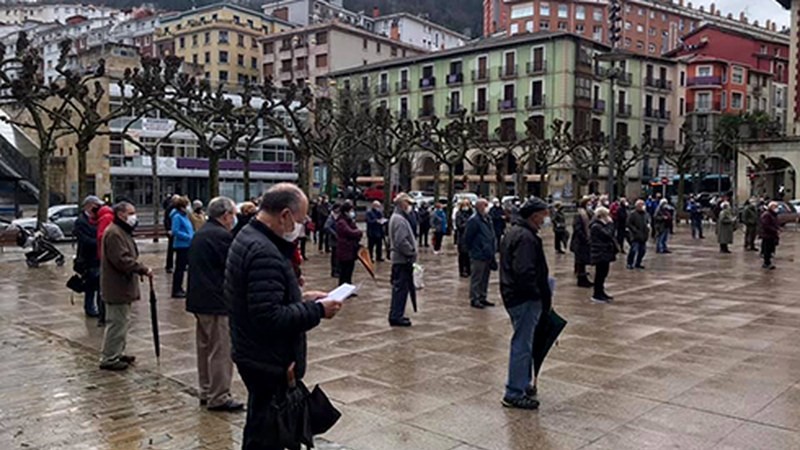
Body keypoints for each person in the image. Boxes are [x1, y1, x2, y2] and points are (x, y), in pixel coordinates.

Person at [225, 184, 343, 449]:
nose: (301, 226)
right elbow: (268, 317)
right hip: (267, 359)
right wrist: (318, 310)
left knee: (260, 427)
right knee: (269, 435)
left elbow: (259, 300)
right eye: (301, 220)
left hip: (252, 351)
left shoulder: (248, 236)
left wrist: (301, 299)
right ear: (285, 215)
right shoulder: (264, 251)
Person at [186, 197, 244, 412]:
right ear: (226, 215)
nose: (234, 219)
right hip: (216, 301)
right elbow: (231, 268)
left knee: (205, 347)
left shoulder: (202, 232)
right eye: (233, 215)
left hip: (200, 299)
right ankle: (219, 395)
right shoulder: (221, 236)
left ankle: (206, 389)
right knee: (221, 350)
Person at [499, 198, 552, 411]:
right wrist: (537, 293)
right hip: (524, 298)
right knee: (522, 344)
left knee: (525, 342)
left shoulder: (515, 232)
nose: (544, 220)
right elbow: (524, 271)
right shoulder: (526, 237)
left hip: (515, 296)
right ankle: (514, 392)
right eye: (543, 215)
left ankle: (522, 382)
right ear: (534, 215)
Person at [99, 202, 153, 371]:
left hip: (122, 285)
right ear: (121, 214)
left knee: (122, 322)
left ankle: (117, 352)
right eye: (131, 213)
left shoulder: (121, 231)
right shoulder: (114, 233)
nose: (134, 216)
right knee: (117, 322)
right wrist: (142, 269)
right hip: (117, 286)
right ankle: (110, 357)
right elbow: (122, 260)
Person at [388, 193, 418, 327]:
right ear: (403, 204)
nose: (410, 206)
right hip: (402, 260)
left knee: (400, 289)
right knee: (400, 289)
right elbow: (401, 241)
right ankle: (396, 315)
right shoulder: (399, 220)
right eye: (408, 203)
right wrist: (411, 251)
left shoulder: (397, 217)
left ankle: (397, 314)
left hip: (400, 259)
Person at [75, 195, 104, 318]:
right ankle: (89, 308)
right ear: (89, 206)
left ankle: (99, 307)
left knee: (99, 285)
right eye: (96, 205)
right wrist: (99, 242)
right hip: (88, 259)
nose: (98, 208)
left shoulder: (97, 219)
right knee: (90, 285)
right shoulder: (81, 221)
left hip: (98, 257)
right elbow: (84, 239)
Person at [465, 199, 496, 309]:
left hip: (488, 253)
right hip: (478, 254)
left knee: (485, 278)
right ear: (479, 207)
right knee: (477, 278)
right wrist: (474, 249)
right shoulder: (474, 220)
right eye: (485, 205)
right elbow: (468, 237)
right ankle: (475, 298)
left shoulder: (487, 218)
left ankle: (482, 296)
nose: (487, 207)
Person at [590, 207, 617, 303]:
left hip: (604, 253)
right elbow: (608, 235)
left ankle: (601, 292)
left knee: (603, 274)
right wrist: (610, 224)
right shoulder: (596, 226)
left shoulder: (601, 225)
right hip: (600, 253)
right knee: (599, 275)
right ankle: (597, 294)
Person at [170, 196, 195, 298]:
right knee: (180, 268)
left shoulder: (185, 216)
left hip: (188, 245)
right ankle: (176, 289)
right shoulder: (177, 217)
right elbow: (175, 231)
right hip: (182, 245)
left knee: (185, 268)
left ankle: (181, 288)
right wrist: (188, 237)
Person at [336, 202, 362, 285]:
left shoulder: (349, 221)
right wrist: (358, 232)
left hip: (351, 251)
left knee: (349, 271)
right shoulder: (341, 222)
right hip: (345, 251)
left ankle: (348, 285)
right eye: (351, 210)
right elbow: (350, 232)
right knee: (344, 272)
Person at [570, 197, 593, 288]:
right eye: (589, 203)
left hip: (585, 241)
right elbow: (577, 228)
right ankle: (581, 280)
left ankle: (584, 279)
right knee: (580, 261)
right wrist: (584, 238)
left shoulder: (587, 213)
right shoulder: (579, 214)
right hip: (580, 242)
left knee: (583, 261)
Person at [626, 200, 649, 270]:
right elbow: (628, 223)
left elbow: (647, 222)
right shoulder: (632, 214)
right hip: (635, 236)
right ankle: (629, 263)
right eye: (641, 205)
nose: (643, 206)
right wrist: (635, 231)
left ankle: (638, 263)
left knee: (642, 251)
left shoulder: (645, 214)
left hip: (643, 235)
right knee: (633, 250)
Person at [455, 199, 473, 277]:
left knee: (469, 255)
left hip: (470, 238)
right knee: (462, 255)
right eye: (464, 205)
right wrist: (468, 224)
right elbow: (459, 225)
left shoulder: (472, 214)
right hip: (462, 238)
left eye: (467, 204)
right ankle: (462, 270)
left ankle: (469, 270)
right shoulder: (459, 214)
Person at [760, 201, 781, 269]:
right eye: (775, 207)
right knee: (767, 249)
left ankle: (768, 262)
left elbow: (775, 223)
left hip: (771, 235)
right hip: (767, 235)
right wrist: (775, 230)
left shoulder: (773, 214)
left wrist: (778, 228)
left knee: (770, 249)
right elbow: (766, 225)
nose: (776, 208)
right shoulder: (767, 215)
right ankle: (766, 263)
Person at [325, 204, 341, 278]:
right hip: (334, 240)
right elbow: (326, 226)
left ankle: (338, 270)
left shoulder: (339, 216)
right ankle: (334, 271)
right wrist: (334, 233)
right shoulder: (331, 217)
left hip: (339, 240)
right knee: (335, 257)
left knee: (338, 256)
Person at [164, 194, 179, 273]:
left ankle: (171, 265)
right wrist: (168, 229)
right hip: (172, 231)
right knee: (171, 249)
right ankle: (169, 266)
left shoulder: (176, 208)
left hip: (175, 230)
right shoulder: (170, 208)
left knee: (173, 248)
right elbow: (167, 220)